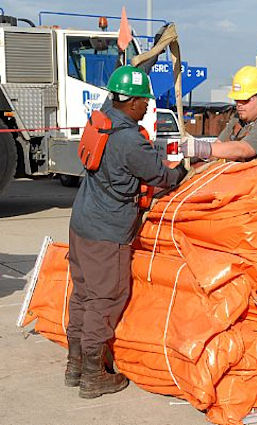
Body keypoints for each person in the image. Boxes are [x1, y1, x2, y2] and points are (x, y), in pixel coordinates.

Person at [65, 65, 187, 399]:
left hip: (81, 224)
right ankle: (93, 376)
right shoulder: (131, 142)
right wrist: (183, 172)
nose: (148, 106)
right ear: (130, 102)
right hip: (107, 232)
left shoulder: (102, 119)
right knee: (106, 298)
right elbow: (161, 177)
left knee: (83, 294)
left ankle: (75, 364)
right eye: (143, 100)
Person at [180, 65, 257, 161]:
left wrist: (201, 147)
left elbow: (242, 150)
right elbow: (218, 148)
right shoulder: (239, 121)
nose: (239, 104)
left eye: (245, 100)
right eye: (237, 100)